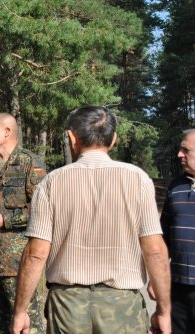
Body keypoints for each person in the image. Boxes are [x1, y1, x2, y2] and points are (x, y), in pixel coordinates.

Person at [12, 105, 171, 334]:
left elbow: (36, 253)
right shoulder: (138, 180)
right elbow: (155, 251)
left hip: (67, 307)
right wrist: (163, 311)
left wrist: (20, 311)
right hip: (123, 307)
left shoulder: (51, 183)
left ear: (71, 138)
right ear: (113, 139)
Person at [0, 113, 47, 334]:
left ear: (7, 132)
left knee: (26, 323)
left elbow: (42, 209)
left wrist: (4, 220)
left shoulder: (29, 163)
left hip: (17, 261)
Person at [160, 129, 195, 333]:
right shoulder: (176, 186)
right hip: (178, 286)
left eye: (186, 150)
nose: (179, 155)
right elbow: (163, 238)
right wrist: (157, 280)